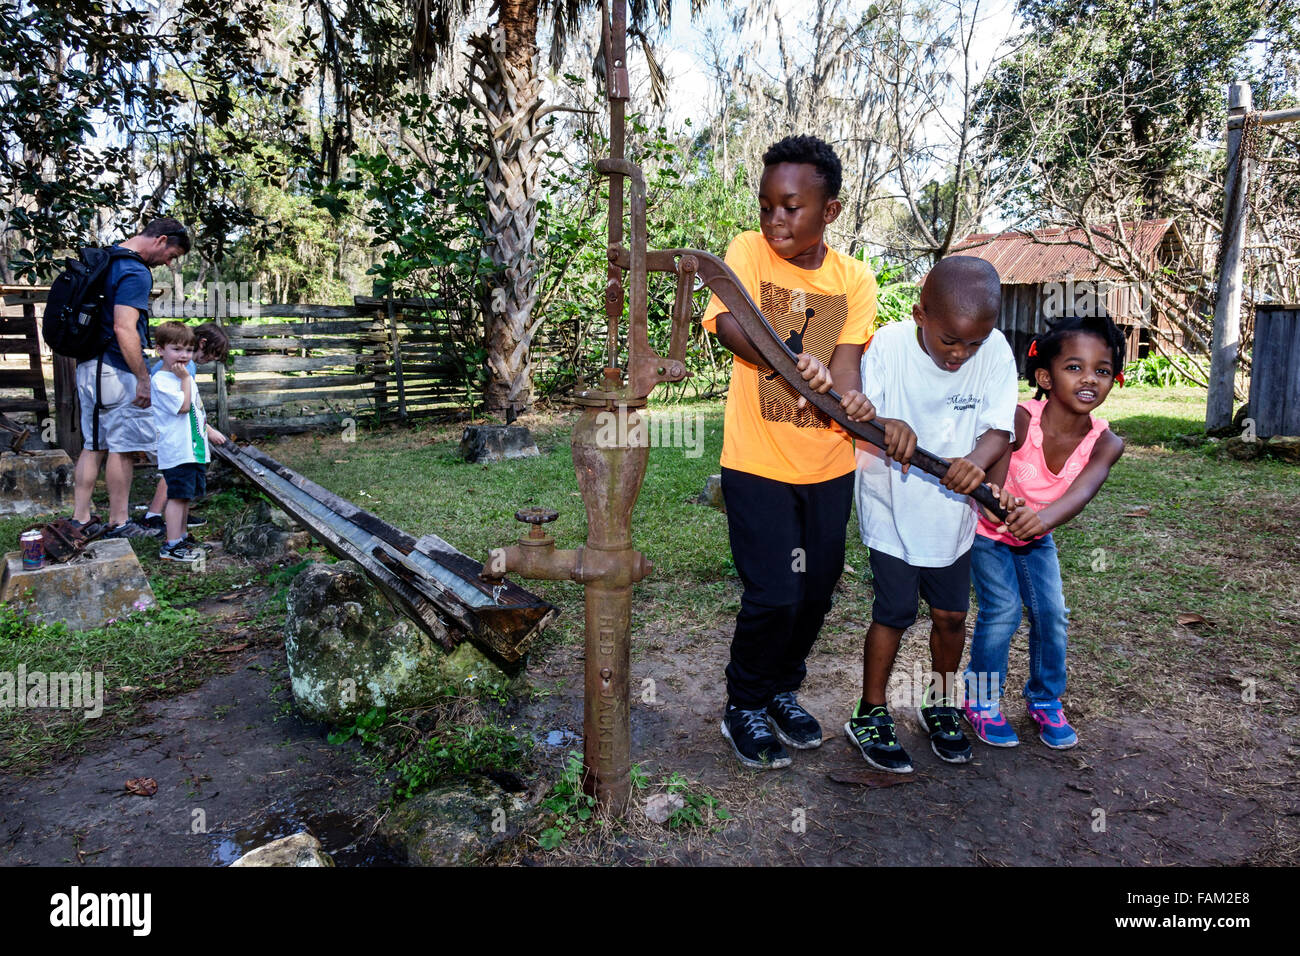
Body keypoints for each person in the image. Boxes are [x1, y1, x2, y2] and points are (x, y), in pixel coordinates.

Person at [702, 135, 878, 770]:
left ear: (829, 212)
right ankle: (743, 703)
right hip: (757, 461)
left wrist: (854, 404)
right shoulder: (748, 251)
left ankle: (781, 690)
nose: (775, 219)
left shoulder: (854, 277)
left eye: (792, 207)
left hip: (830, 465)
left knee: (816, 591)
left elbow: (848, 369)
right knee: (775, 592)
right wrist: (787, 359)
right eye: (767, 205)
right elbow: (728, 324)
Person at [839, 255, 1017, 773]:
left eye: (974, 344)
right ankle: (870, 712)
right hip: (890, 505)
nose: (961, 354)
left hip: (952, 514)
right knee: (893, 612)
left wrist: (977, 463)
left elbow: (998, 426)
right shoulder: (890, 346)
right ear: (920, 314)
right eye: (949, 342)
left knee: (952, 615)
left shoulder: (995, 351)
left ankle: (939, 703)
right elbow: (861, 412)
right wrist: (887, 423)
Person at [962, 315, 1126, 750]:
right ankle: (980, 702)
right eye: (1074, 367)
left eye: (1102, 370)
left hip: (1037, 536)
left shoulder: (1107, 442)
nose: (1089, 378)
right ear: (1044, 377)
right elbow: (991, 476)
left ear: (1116, 379)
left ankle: (1045, 699)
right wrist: (995, 505)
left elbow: (1083, 491)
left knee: (1052, 615)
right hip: (988, 533)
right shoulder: (1019, 418)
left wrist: (1042, 521)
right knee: (1003, 611)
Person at [70, 218, 191, 538]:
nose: (169, 262)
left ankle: (80, 517)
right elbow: (125, 327)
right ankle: (119, 523)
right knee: (121, 447)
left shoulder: (106, 258)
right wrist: (142, 377)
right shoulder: (135, 271)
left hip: (88, 368)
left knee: (93, 445)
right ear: (161, 240)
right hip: (113, 368)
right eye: (172, 255)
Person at [140, 321, 230, 540]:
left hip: (190, 446)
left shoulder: (184, 372)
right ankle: (169, 537)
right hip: (178, 445)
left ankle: (180, 534)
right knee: (177, 493)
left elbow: (195, 409)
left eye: (188, 350)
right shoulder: (176, 374)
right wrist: (186, 379)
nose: (185, 355)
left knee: (184, 495)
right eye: (178, 349)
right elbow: (184, 407)